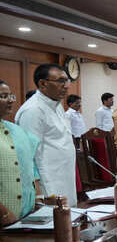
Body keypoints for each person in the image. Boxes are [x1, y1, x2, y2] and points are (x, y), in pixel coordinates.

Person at [15, 64, 77, 206]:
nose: (66, 86)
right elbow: (29, 156)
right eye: (60, 81)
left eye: (67, 81)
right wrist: (40, 195)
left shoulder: (57, 105)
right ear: (43, 84)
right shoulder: (33, 110)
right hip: (48, 183)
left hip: (64, 176)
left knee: (70, 214)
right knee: (54, 217)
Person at [0, 81, 40, 226]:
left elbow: (31, 168)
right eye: (4, 96)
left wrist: (38, 200)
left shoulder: (17, 131)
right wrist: (4, 213)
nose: (10, 100)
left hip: (27, 216)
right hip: (5, 219)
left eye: (11, 96)